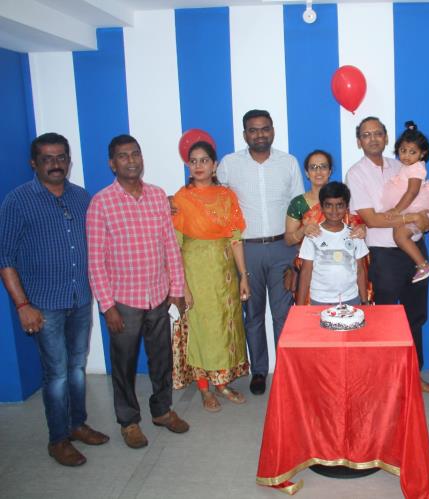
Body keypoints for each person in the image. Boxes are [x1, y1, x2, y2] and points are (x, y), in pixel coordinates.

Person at [0, 133, 109, 466]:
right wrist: (23, 306)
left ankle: (77, 424)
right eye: (47, 158)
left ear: (69, 161)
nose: (55, 164)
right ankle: (58, 439)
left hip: (80, 298)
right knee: (57, 374)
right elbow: (5, 258)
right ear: (34, 163)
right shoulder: (18, 201)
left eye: (61, 157)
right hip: (43, 304)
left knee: (76, 367)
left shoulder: (81, 198)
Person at [87, 134, 189, 449]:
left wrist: (177, 289)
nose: (131, 161)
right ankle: (129, 422)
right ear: (112, 163)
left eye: (135, 154)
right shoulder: (101, 202)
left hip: (158, 295)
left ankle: (162, 410)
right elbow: (95, 261)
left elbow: (170, 245)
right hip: (124, 301)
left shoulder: (157, 196)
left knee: (161, 360)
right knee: (124, 365)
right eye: (123, 156)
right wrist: (108, 306)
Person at [345, 116, 429, 393]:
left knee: (415, 316)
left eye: (377, 133)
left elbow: (425, 202)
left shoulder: (403, 164)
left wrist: (424, 219)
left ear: (386, 138)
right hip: (383, 255)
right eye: (366, 134)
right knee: (383, 318)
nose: (372, 138)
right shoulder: (356, 174)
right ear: (359, 141)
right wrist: (411, 217)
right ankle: (384, 379)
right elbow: (372, 220)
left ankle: (414, 375)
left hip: (414, 251)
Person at [218, 109, 304, 396]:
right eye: (253, 130)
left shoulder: (288, 163)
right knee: (253, 315)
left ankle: (285, 370)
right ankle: (258, 371)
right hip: (247, 250)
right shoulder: (229, 164)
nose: (260, 135)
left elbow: (298, 207)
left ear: (273, 131)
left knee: (282, 314)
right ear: (245, 134)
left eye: (265, 128)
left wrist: (299, 250)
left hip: (282, 247)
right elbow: (213, 198)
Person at [172, 141, 250, 412]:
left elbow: (235, 239)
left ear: (214, 165)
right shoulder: (181, 199)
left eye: (204, 160)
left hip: (225, 272)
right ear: (188, 166)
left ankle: (222, 384)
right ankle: (204, 388)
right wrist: (183, 286)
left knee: (225, 327)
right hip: (196, 272)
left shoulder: (227, 196)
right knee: (202, 328)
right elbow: (175, 246)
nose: (199, 166)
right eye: (193, 161)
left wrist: (243, 276)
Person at [284, 150, 366, 304]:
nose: (318, 171)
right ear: (307, 173)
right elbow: (288, 240)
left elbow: (359, 225)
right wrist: (303, 231)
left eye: (323, 166)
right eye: (313, 167)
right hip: (309, 270)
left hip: (346, 275)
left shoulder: (342, 197)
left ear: (330, 170)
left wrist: (363, 230)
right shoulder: (298, 203)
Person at [381, 121, 429, 283]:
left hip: (415, 204)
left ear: (422, 154)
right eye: (403, 151)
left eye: (412, 152)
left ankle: (423, 264)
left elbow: (412, 192)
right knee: (398, 233)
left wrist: (396, 209)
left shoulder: (417, 168)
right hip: (409, 206)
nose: (406, 156)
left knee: (400, 236)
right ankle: (421, 264)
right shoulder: (407, 167)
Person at [296, 181, 369, 306]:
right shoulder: (312, 235)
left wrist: (364, 301)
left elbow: (361, 270)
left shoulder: (355, 234)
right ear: (321, 207)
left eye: (340, 205)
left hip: (351, 299)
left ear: (347, 207)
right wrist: (300, 307)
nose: (334, 211)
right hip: (320, 300)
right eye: (329, 205)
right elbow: (306, 272)